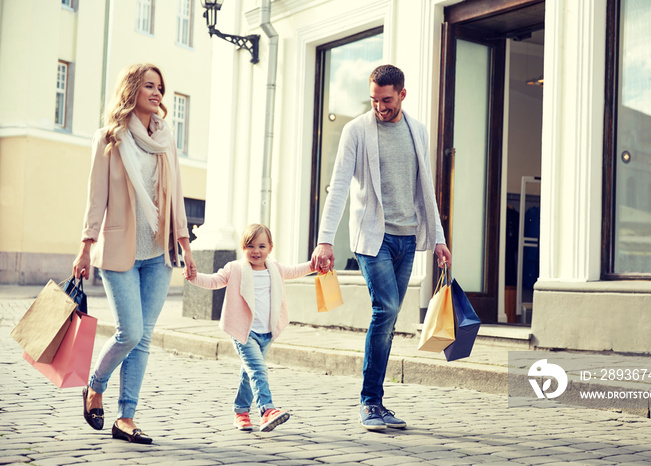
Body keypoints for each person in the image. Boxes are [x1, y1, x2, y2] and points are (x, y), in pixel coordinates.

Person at [311, 64, 451, 431]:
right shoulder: (356, 131)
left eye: (386, 100)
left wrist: (439, 238)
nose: (379, 107)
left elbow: (426, 191)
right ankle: (369, 402)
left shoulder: (417, 131)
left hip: (408, 237)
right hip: (373, 238)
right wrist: (325, 239)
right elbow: (338, 185)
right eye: (374, 99)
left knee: (388, 320)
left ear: (402, 94)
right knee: (385, 307)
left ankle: (378, 402)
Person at [72, 63, 197, 444]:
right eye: (149, 86)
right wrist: (85, 246)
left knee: (143, 339)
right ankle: (95, 385)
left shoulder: (166, 139)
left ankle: (126, 417)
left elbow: (175, 195)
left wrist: (186, 245)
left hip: (158, 253)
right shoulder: (108, 138)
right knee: (131, 331)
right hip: (119, 250)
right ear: (132, 90)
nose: (157, 93)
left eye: (160, 87)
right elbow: (97, 198)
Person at [185, 224, 314, 432]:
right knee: (258, 369)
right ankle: (267, 410)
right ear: (242, 248)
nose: (256, 251)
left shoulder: (275, 269)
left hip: (266, 332)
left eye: (261, 246)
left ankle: (241, 412)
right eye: (250, 246)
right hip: (243, 332)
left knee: (249, 372)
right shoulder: (235, 268)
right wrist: (194, 277)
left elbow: (296, 271)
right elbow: (215, 281)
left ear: (270, 248)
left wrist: (314, 265)